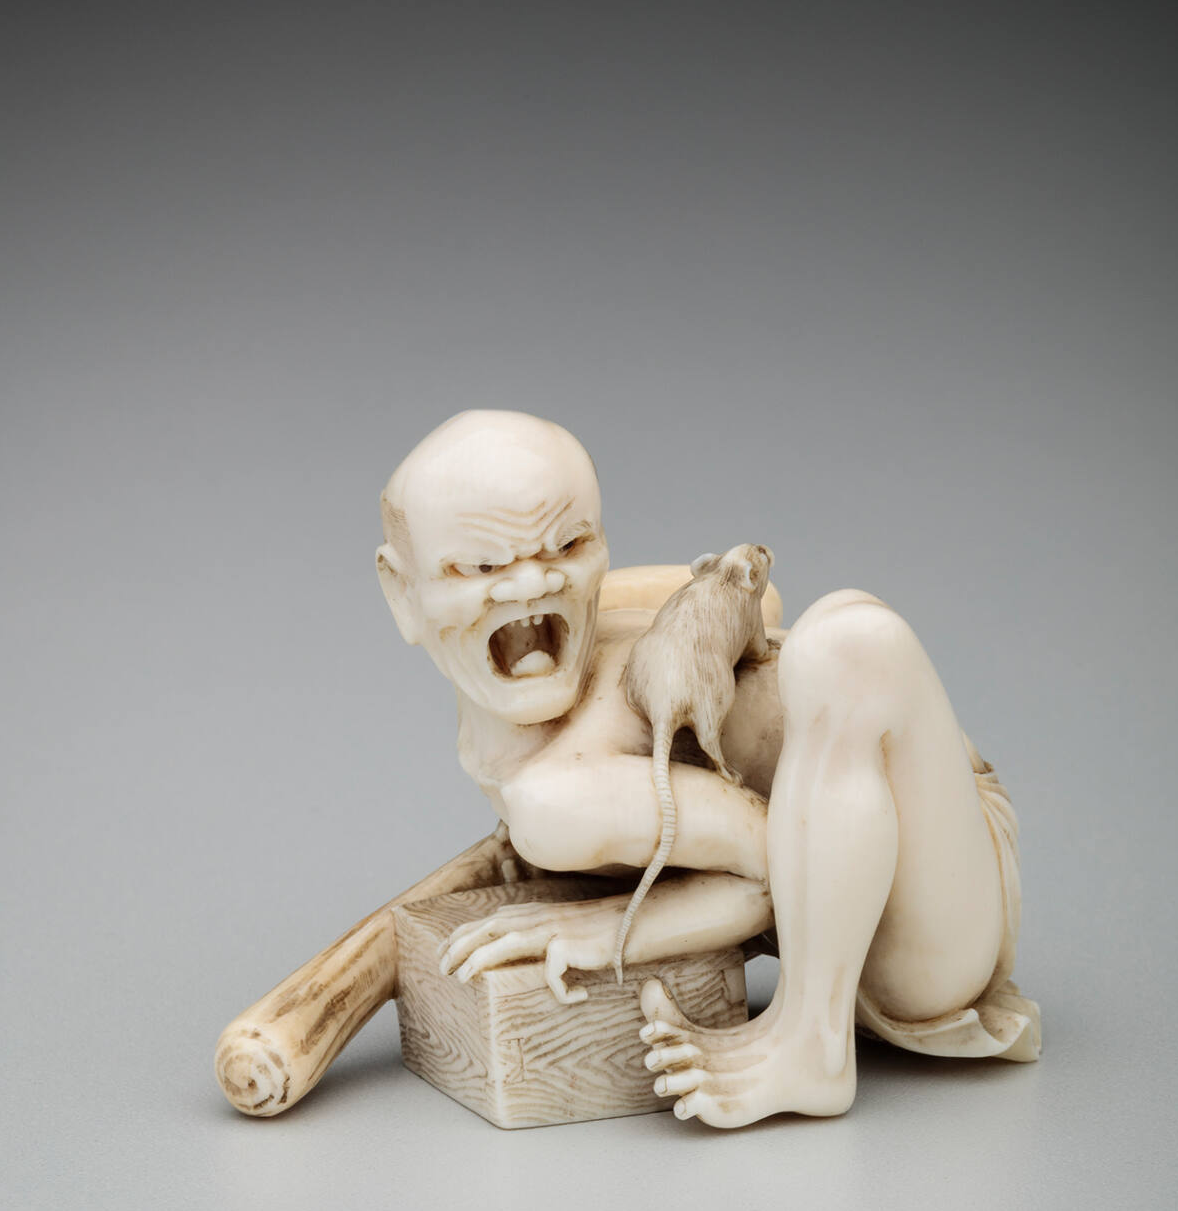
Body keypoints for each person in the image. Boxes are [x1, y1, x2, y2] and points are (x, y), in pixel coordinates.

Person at [373, 408, 1038, 1129]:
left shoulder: (593, 617)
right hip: (901, 935)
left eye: (569, 544)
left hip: (936, 860)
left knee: (845, 637)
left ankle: (809, 1041)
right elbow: (767, 867)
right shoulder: (554, 800)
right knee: (853, 639)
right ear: (401, 594)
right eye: (481, 566)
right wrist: (607, 927)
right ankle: (812, 1041)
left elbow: (762, 596)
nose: (532, 585)